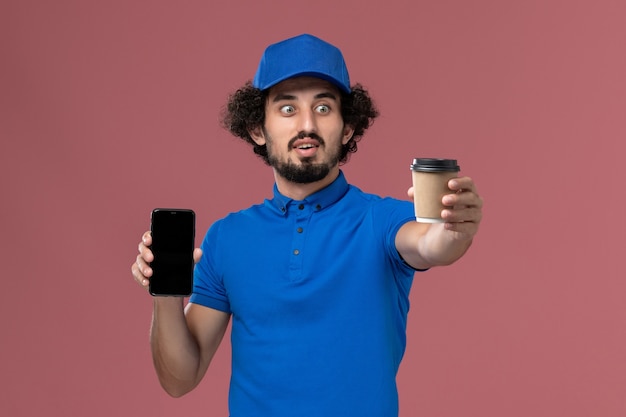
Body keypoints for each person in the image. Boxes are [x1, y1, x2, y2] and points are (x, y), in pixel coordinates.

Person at [132, 33, 483, 416]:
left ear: (347, 128)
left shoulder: (383, 220)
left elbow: (432, 243)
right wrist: (165, 294)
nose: (307, 124)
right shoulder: (227, 238)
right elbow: (179, 379)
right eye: (287, 109)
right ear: (257, 128)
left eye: (323, 107)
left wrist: (453, 230)